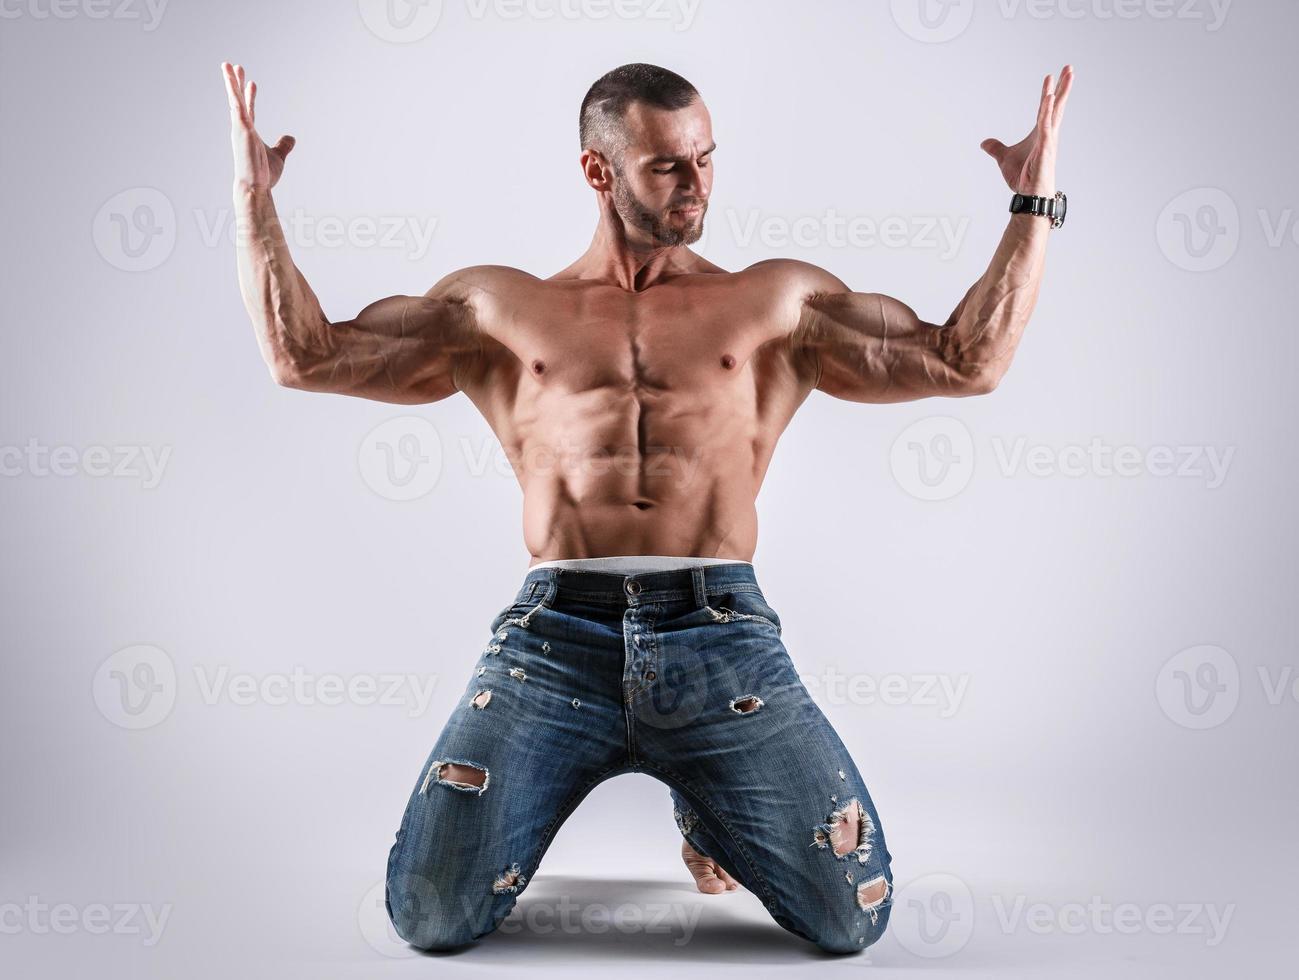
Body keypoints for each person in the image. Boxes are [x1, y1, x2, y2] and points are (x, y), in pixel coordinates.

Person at [220, 59, 1073, 955]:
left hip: (720, 636)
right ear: (598, 170)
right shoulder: (499, 307)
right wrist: (253, 198)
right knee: (430, 917)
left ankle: (708, 808)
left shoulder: (773, 301)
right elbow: (303, 356)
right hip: (552, 643)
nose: (697, 183)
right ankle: (665, 786)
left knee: (849, 916)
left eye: (706, 157)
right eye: (668, 165)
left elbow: (964, 361)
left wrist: (1033, 205)